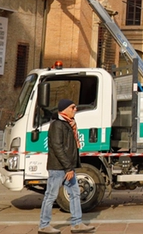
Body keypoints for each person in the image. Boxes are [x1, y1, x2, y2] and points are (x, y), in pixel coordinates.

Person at [37, 99, 96, 234]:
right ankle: (44, 225)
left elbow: (69, 148)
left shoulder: (68, 124)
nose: (75, 109)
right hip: (58, 168)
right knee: (51, 195)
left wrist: (71, 167)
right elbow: (58, 147)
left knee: (75, 193)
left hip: (67, 166)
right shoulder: (57, 125)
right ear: (64, 109)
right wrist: (68, 168)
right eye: (73, 107)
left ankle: (76, 223)